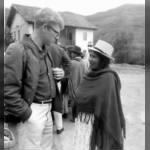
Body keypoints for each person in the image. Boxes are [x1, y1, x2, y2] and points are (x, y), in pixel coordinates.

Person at [4, 7, 64, 150]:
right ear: (44, 28)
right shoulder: (17, 49)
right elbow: (7, 89)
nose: (57, 37)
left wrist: (59, 75)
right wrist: (27, 114)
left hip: (48, 110)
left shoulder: (47, 50)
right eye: (56, 32)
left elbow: (44, 77)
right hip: (33, 111)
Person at [73, 40, 126, 150]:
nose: (90, 59)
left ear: (103, 60)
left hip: (99, 124)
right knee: (81, 146)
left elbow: (108, 104)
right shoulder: (88, 75)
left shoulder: (109, 78)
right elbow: (79, 94)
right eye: (90, 56)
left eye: (94, 57)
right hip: (83, 121)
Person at [48, 43, 71, 134]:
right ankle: (59, 127)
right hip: (56, 80)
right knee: (57, 102)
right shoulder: (58, 49)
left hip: (41, 81)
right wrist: (64, 72)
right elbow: (68, 62)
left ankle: (48, 128)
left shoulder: (36, 45)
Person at [68, 45, 88, 122]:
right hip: (83, 86)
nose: (70, 54)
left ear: (74, 54)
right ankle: (79, 116)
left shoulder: (71, 63)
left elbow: (68, 75)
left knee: (74, 102)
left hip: (74, 85)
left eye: (71, 53)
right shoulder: (84, 62)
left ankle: (74, 117)